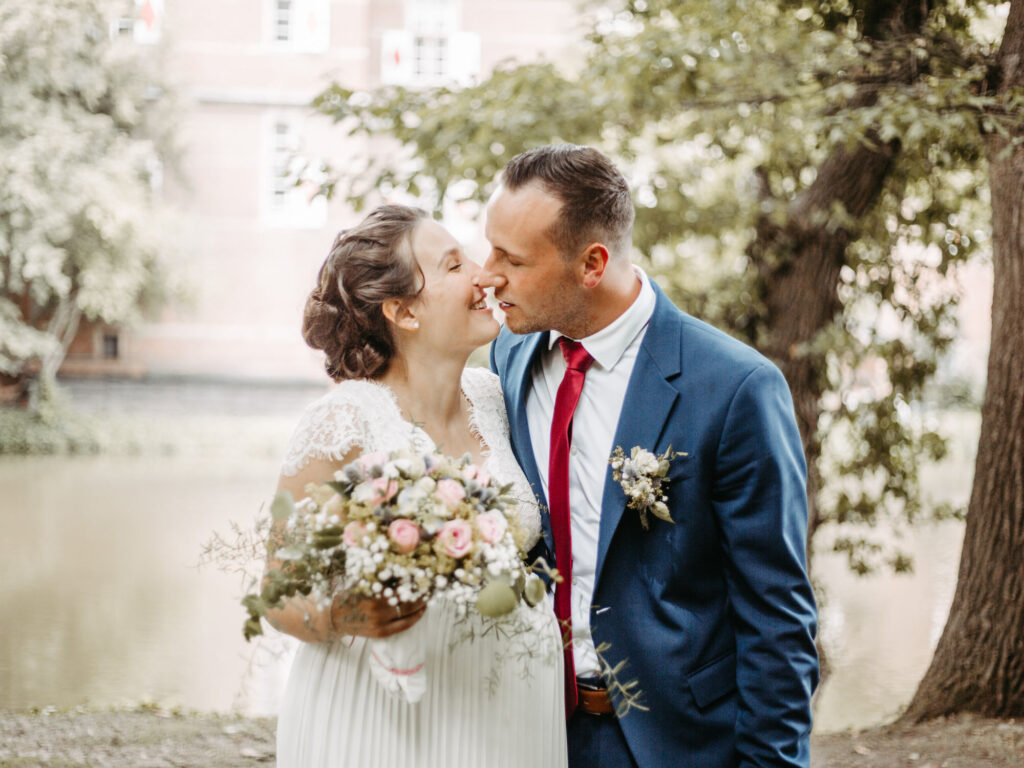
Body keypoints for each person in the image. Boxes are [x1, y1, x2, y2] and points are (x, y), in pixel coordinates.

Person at [477, 144, 819, 768]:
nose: (487, 273)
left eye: (512, 259)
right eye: (489, 248)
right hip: (532, 732)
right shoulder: (509, 357)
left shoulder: (735, 388)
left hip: (677, 741)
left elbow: (777, 613)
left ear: (592, 263)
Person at [268, 204, 567, 768]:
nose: (483, 273)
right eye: (454, 267)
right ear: (404, 311)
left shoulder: (496, 398)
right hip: (382, 714)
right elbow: (279, 590)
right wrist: (343, 615)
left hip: (504, 711)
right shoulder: (343, 421)